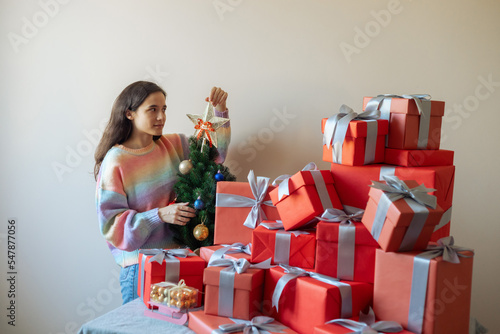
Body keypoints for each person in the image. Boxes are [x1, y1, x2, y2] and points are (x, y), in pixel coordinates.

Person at [94, 81, 231, 304]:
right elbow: (113, 228)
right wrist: (159, 215)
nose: (161, 117)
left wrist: (220, 111)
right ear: (129, 113)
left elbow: (215, 155)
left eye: (164, 109)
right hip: (141, 269)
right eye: (153, 109)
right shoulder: (116, 161)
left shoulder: (175, 145)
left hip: (181, 264)